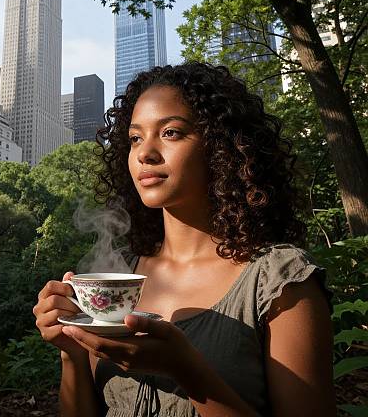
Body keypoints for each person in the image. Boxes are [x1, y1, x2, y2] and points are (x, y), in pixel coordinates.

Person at [33, 62, 336, 416]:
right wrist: (70, 351)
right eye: (135, 138)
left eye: (171, 133)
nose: (145, 152)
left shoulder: (280, 280)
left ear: (222, 146)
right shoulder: (122, 273)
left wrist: (185, 370)